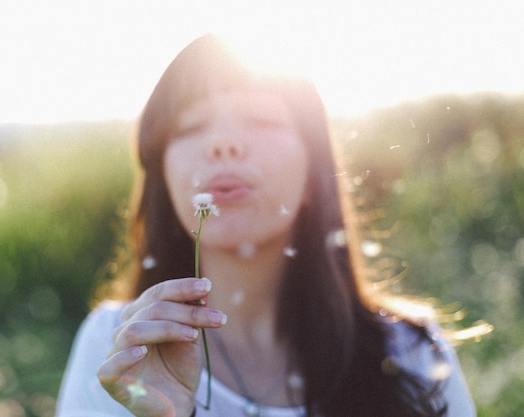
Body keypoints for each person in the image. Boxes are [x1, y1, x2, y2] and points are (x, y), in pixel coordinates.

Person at [55, 34, 477, 417]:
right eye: (190, 127)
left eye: (260, 120)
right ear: (163, 178)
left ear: (314, 172)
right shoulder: (119, 348)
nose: (222, 144)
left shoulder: (411, 353)